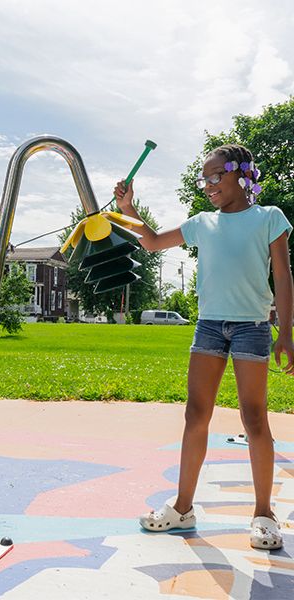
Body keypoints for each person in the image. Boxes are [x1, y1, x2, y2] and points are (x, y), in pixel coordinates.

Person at [114, 143, 294, 550]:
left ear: (241, 174)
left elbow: (282, 276)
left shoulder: (269, 218)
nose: (208, 184)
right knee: (196, 414)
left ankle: (264, 514)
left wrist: (285, 331)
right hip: (209, 327)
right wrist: (129, 208)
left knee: (254, 418)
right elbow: (154, 242)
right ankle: (182, 508)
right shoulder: (201, 222)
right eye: (204, 177)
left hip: (252, 327)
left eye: (216, 175)